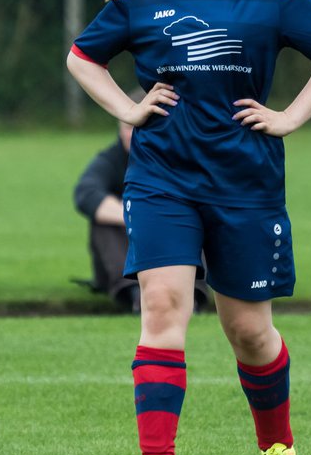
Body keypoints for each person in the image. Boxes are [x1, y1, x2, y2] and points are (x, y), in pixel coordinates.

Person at [66, 0, 311, 455]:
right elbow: (82, 57)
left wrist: (290, 116)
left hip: (245, 183)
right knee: (163, 309)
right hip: (161, 180)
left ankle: (277, 448)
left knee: (249, 331)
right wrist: (128, 109)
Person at [72, 114, 211, 313]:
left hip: (174, 240)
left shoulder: (182, 158)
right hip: (128, 245)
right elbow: (86, 193)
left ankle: (192, 294)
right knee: (102, 219)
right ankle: (134, 294)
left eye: (143, 127)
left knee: (194, 214)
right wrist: (140, 218)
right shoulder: (112, 159)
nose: (134, 134)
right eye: (129, 128)